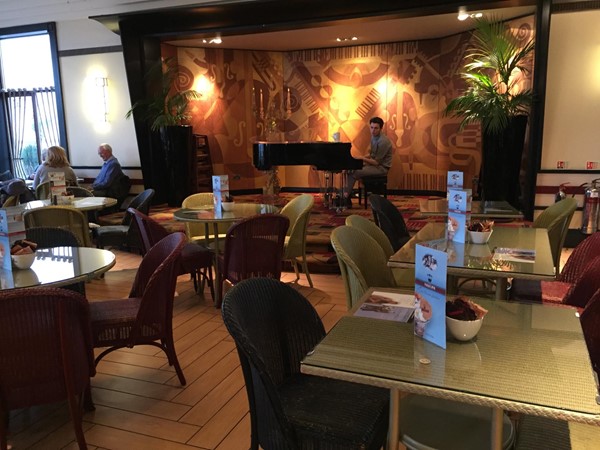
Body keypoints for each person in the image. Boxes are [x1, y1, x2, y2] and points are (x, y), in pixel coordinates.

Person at [344, 116, 393, 207]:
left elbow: (376, 162)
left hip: (382, 168)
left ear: (381, 128)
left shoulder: (383, 142)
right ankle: (347, 195)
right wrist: (359, 158)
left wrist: (362, 159)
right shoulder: (374, 137)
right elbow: (371, 154)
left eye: (376, 128)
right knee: (351, 169)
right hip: (375, 165)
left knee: (355, 172)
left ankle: (345, 197)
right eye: (371, 127)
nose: (373, 130)